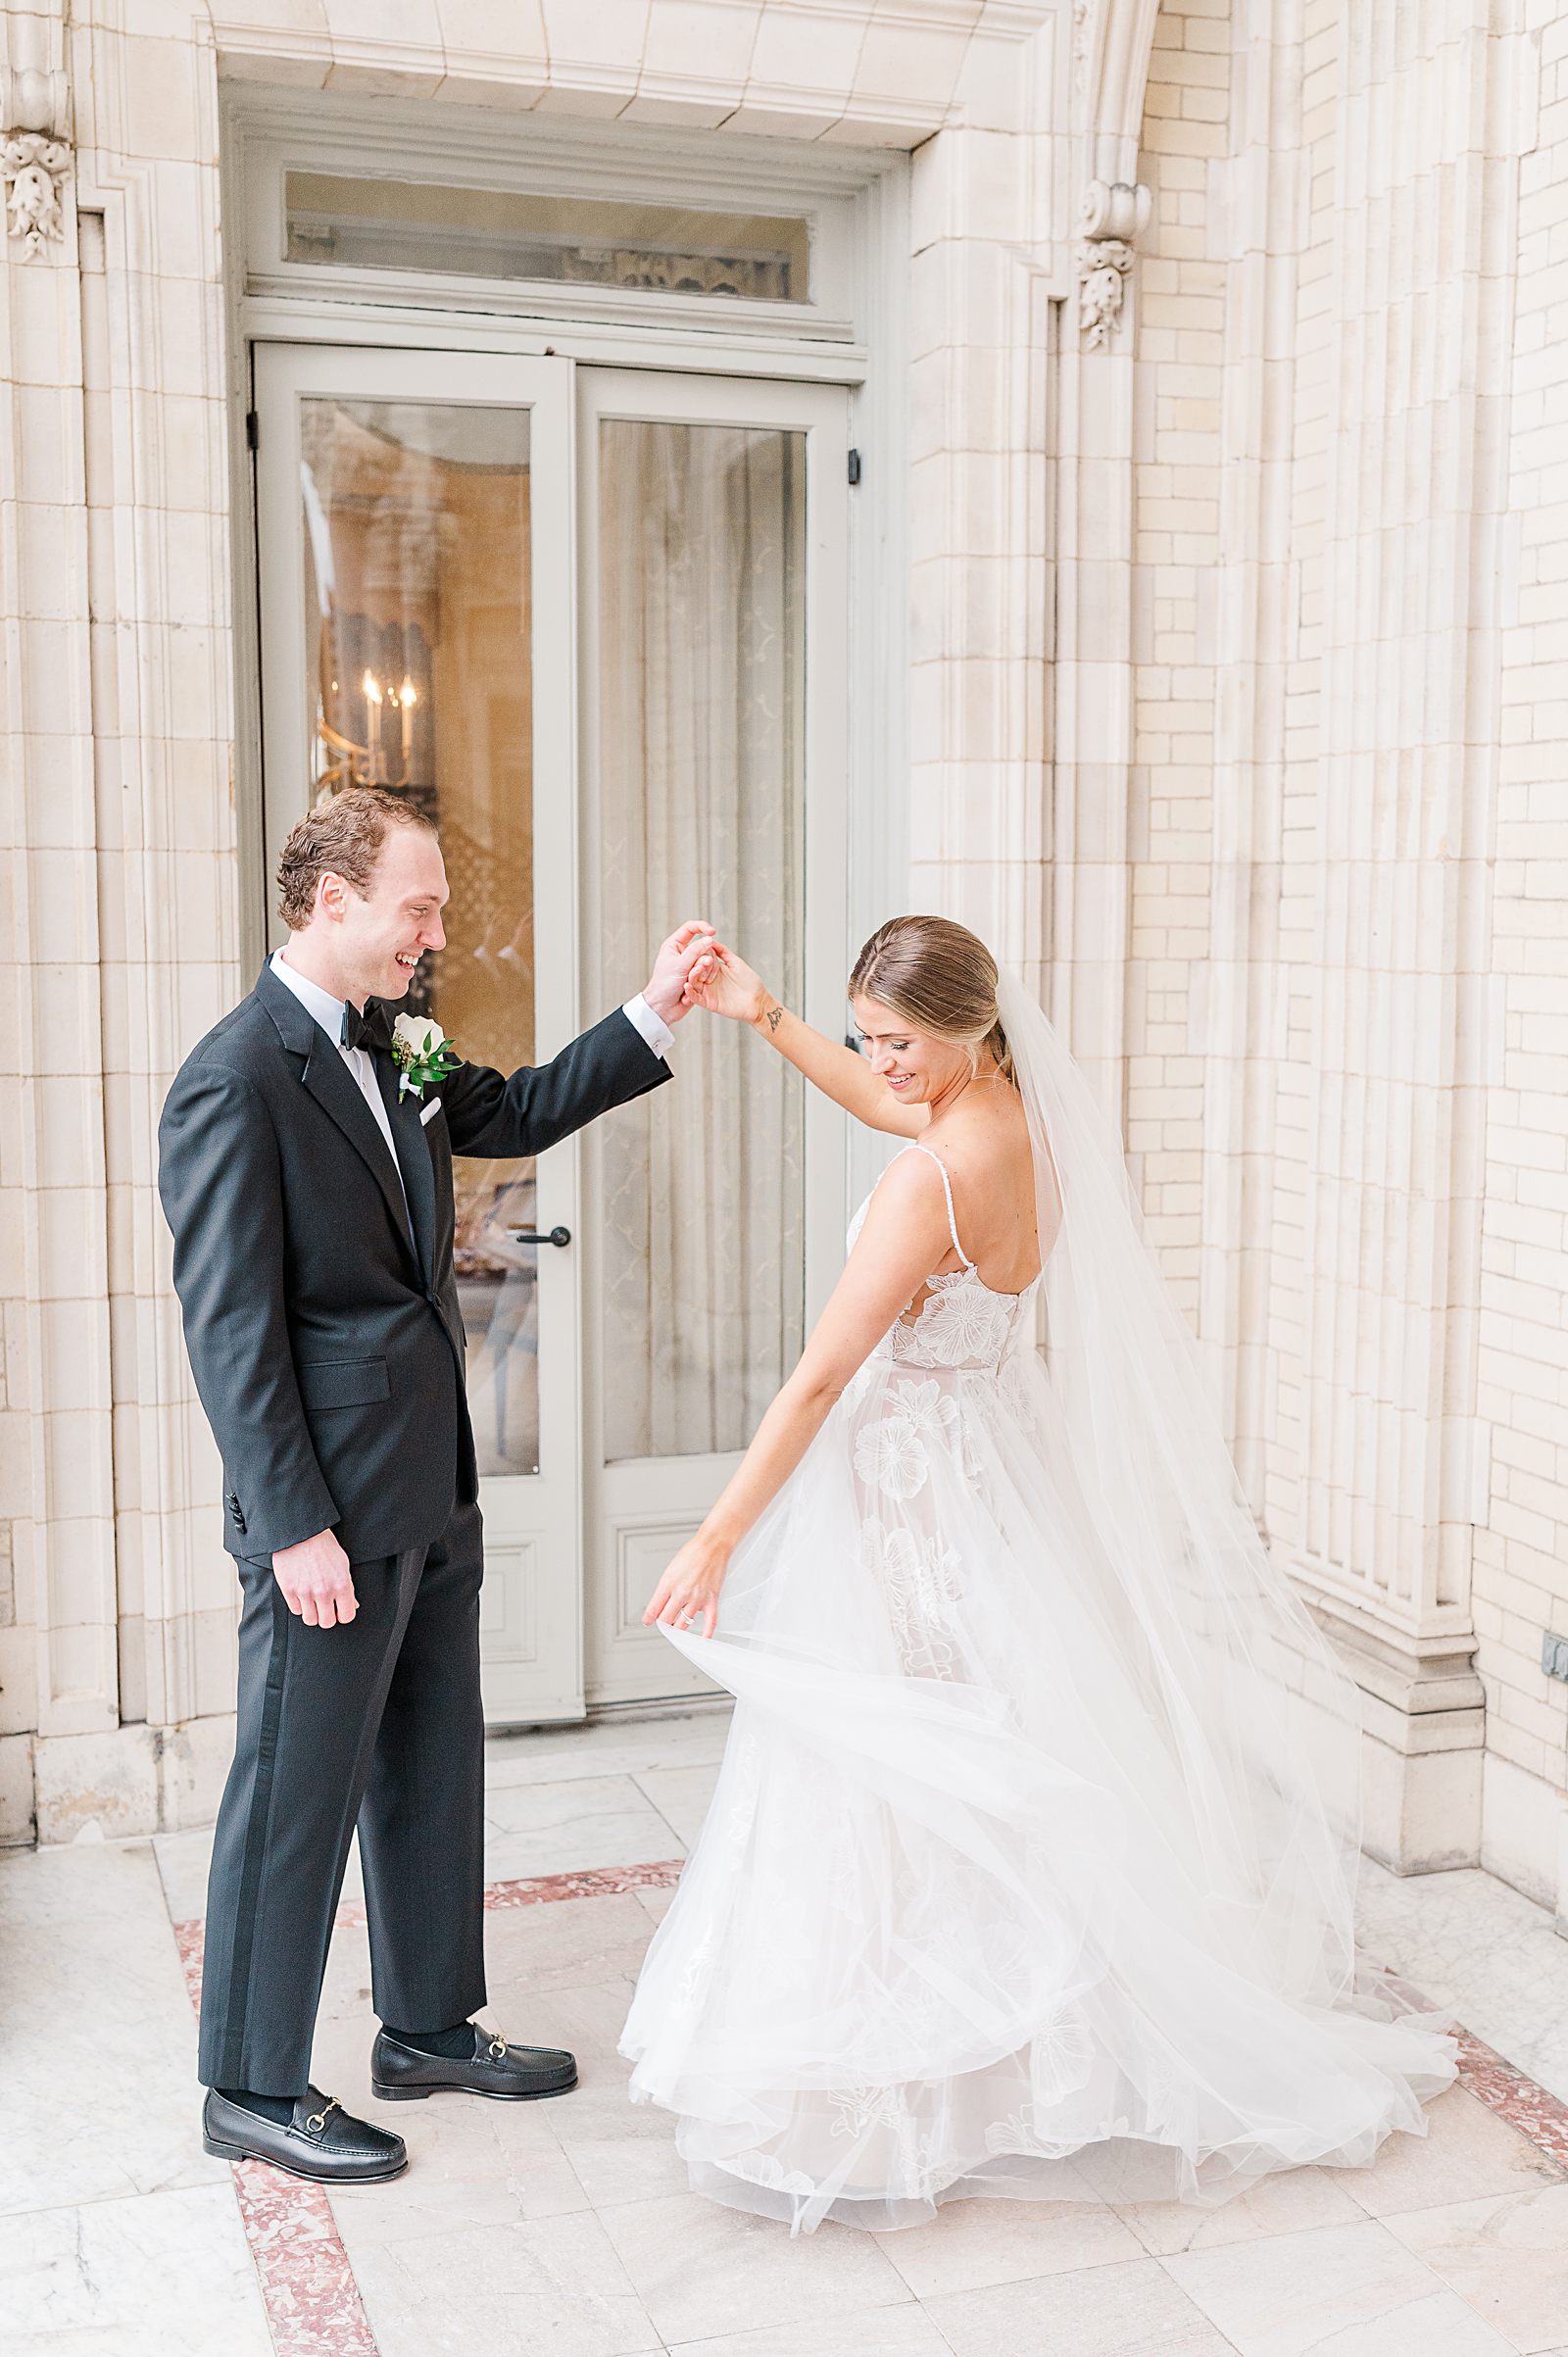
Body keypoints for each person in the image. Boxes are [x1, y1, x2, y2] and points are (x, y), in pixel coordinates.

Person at [620, 914, 1455, 2234]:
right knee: (992, 1734)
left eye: (900, 1042)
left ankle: (927, 2061)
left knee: (903, 1755)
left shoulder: (923, 1184)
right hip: (990, 1466)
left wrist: (716, 1531)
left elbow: (823, 1376)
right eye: (868, 1039)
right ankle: (1023, 2040)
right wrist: (768, 1016)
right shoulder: (1018, 1120)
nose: (881, 1064)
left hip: (906, 1492)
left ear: (965, 1028)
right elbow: (899, 1113)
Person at [159, 784, 712, 2184]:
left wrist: (650, 1009)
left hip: (429, 1485)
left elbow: (517, 1110)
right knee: (293, 1791)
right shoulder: (231, 1077)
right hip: (325, 1515)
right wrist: (292, 1526)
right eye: (421, 905)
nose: (437, 931)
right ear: (332, 899)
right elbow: (233, 1332)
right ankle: (249, 2082)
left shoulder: (397, 1043)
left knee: (428, 1767)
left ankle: (427, 2025)